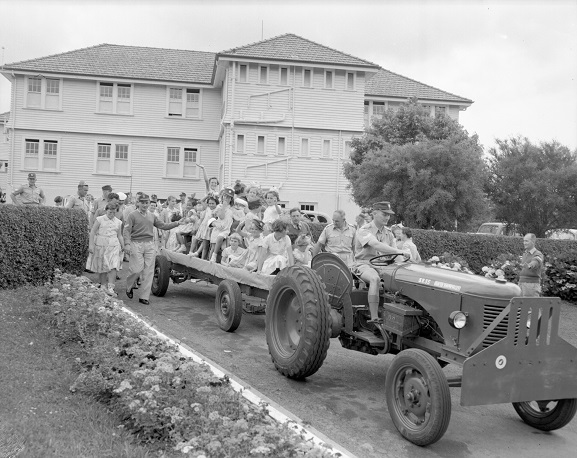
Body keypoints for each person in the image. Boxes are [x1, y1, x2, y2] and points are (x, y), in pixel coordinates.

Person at [352, 202, 410, 323]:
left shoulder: (389, 233)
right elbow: (376, 245)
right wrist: (399, 251)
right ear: (374, 213)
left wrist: (407, 266)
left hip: (384, 267)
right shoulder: (364, 230)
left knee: (403, 278)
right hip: (364, 265)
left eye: (389, 215)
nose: (387, 217)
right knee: (375, 279)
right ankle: (374, 317)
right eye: (384, 214)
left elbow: (396, 257)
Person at [123, 194, 185, 305]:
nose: (145, 205)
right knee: (136, 269)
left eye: (147, 202)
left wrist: (176, 223)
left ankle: (144, 297)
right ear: (138, 203)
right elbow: (126, 231)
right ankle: (129, 286)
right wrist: (127, 244)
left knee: (149, 270)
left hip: (149, 244)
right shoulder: (132, 215)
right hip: (136, 243)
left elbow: (163, 225)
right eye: (142, 202)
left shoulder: (152, 216)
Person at [88, 203, 124, 296]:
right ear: (106, 210)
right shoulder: (99, 220)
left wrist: (123, 245)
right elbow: (92, 232)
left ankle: (111, 287)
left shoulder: (118, 222)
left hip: (114, 245)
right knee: (102, 266)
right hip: (101, 245)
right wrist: (91, 245)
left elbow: (119, 235)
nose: (111, 214)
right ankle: (103, 286)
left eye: (113, 212)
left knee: (113, 266)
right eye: (109, 212)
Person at [209, 188, 235, 262]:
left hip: (226, 229)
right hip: (219, 228)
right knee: (213, 247)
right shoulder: (219, 206)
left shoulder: (232, 208)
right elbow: (221, 216)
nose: (226, 198)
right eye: (225, 196)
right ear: (222, 197)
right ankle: (211, 258)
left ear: (231, 199)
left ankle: (219, 258)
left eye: (229, 197)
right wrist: (224, 206)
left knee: (221, 238)